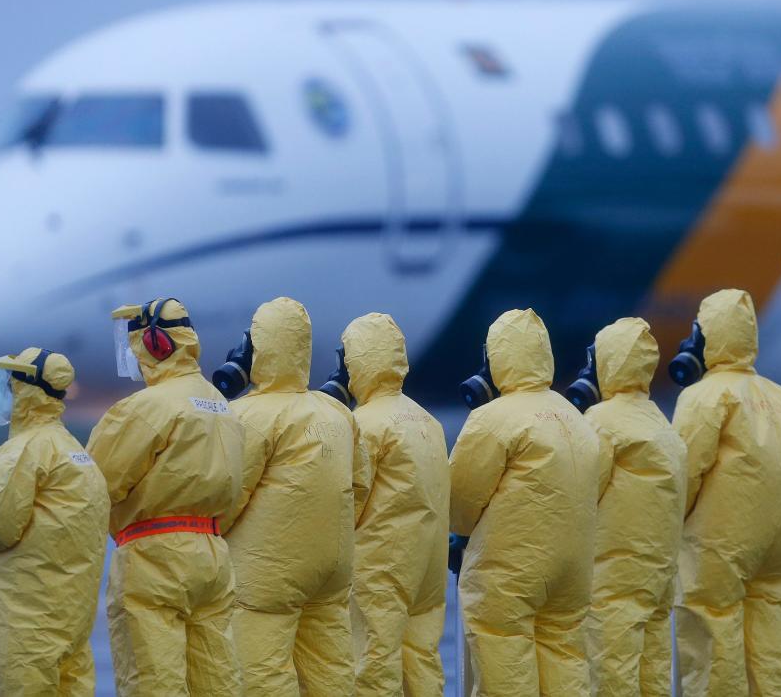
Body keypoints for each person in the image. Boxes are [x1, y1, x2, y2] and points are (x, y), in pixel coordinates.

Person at [88, 298, 245, 697]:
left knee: (153, 682)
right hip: (211, 554)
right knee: (217, 680)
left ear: (155, 343)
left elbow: (94, 487)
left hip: (154, 558)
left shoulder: (144, 408)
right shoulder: (221, 406)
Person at [220, 297, 371, 697]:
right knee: (330, 671)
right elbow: (359, 486)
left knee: (262, 673)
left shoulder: (246, 416)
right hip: (331, 569)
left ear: (259, 348)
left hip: (266, 574)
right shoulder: (336, 412)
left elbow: (228, 497)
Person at [449, 308, 600, 696]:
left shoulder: (492, 419)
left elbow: (458, 505)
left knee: (505, 668)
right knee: (565, 660)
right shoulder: (576, 416)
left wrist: (460, 535)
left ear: (495, 357)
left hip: (511, 572)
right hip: (572, 571)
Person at [671, 288, 781, 697]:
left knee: (714, 639)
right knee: (772, 647)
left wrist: (669, 525)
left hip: (721, 541)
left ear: (707, 336)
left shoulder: (703, 396)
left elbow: (685, 473)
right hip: (779, 542)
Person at [0, 347, 109, 696]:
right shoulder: (73, 449)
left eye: (11, 383)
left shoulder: (23, 451)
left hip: (26, 613)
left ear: (26, 389)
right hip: (69, 612)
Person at [342, 312, 450, 697]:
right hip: (428, 568)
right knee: (422, 662)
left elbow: (350, 498)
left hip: (382, 566)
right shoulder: (428, 421)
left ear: (359, 360)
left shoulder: (364, 423)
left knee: (373, 663)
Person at [582, 318, 686, 697]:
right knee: (653, 669)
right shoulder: (662, 423)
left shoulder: (601, 421)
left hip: (613, 571)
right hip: (659, 573)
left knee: (612, 668)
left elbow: (581, 493)